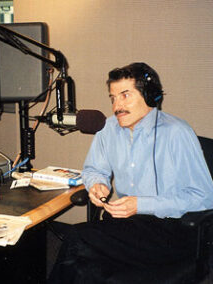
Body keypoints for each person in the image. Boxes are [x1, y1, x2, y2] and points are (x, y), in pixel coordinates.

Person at [49, 62, 213, 283]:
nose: (117, 106)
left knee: (77, 239)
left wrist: (141, 204)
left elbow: (204, 196)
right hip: (126, 225)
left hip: (172, 230)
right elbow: (94, 169)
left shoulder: (177, 132)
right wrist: (97, 184)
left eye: (125, 95)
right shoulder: (108, 128)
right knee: (84, 268)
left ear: (149, 95)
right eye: (113, 98)